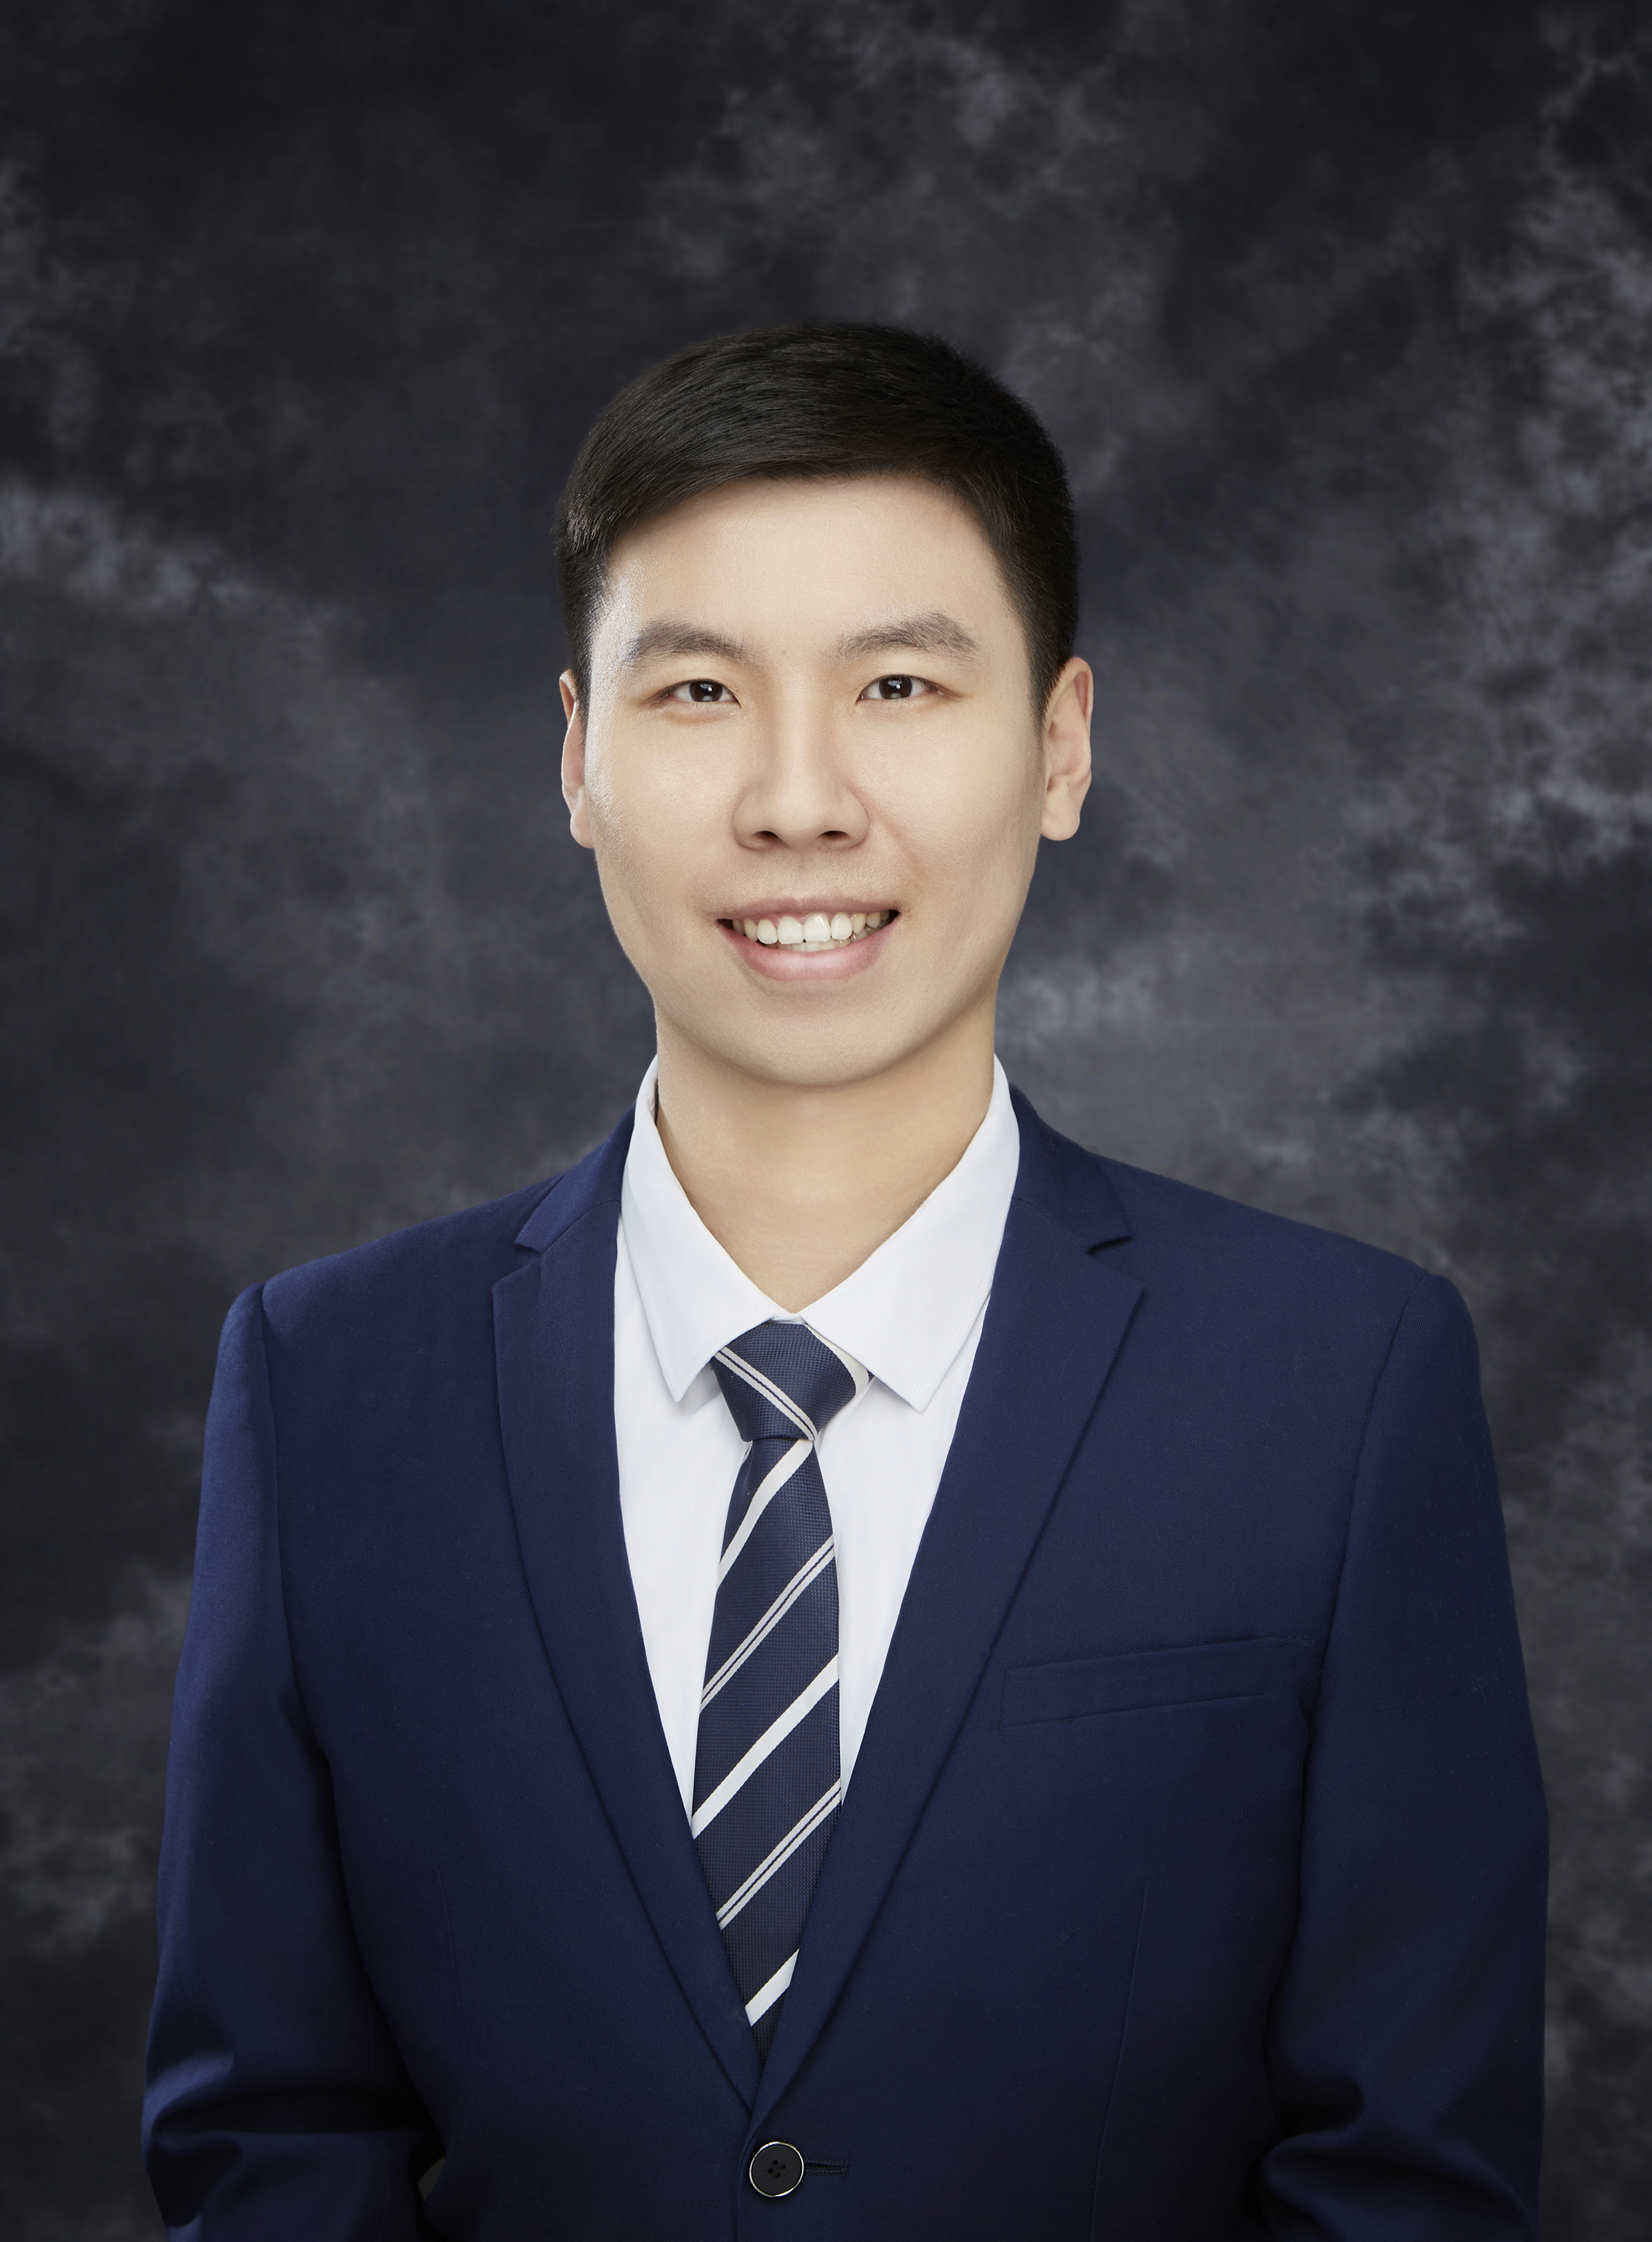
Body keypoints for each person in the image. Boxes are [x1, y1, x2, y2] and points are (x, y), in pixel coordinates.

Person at [142, 323, 1547, 2239]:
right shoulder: (325, 1384)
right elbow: (273, 2138)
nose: (799, 800)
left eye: (897, 683)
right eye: (699, 690)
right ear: (577, 758)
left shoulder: (1342, 1380)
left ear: (1059, 747)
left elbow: (1407, 2175)